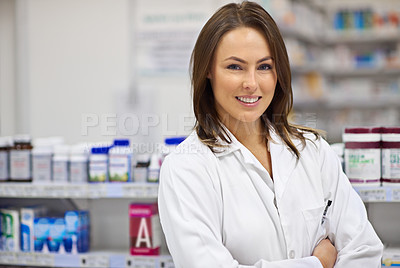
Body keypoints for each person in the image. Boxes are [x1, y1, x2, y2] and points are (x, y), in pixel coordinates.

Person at [158, 1, 383, 268]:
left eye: (264, 66)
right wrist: (318, 263)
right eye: (235, 67)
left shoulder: (313, 151)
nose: (251, 83)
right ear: (208, 71)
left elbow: (365, 251)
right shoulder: (186, 167)